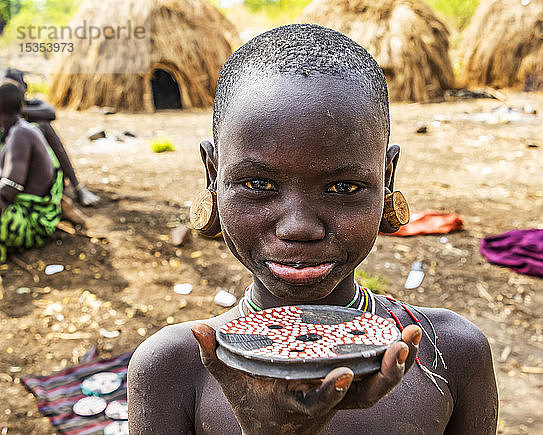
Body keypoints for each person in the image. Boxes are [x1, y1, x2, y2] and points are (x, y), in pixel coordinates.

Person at [128, 24, 498, 434]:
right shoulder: (173, 369)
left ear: (387, 178)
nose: (299, 228)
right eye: (257, 184)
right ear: (212, 176)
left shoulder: (452, 354)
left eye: (343, 187)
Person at [3, 68, 100, 207]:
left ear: (24, 89)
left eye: (15, 87)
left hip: (29, 169)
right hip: (12, 171)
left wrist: (14, 109)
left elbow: (51, 113)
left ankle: (76, 186)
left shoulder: (27, 110)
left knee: (44, 127)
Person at [0, 82, 63, 263]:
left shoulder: (21, 135)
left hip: (32, 222)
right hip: (31, 215)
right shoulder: (18, 131)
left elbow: (9, 190)